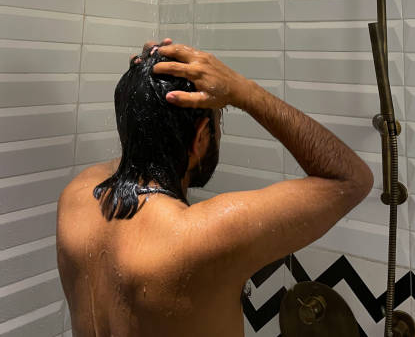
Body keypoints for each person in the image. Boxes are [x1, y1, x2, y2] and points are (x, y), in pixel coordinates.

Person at [56, 38, 373, 337]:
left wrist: (141, 90)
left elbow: (137, 151)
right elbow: (350, 179)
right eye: (219, 121)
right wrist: (243, 91)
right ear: (201, 137)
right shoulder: (200, 236)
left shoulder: (78, 197)